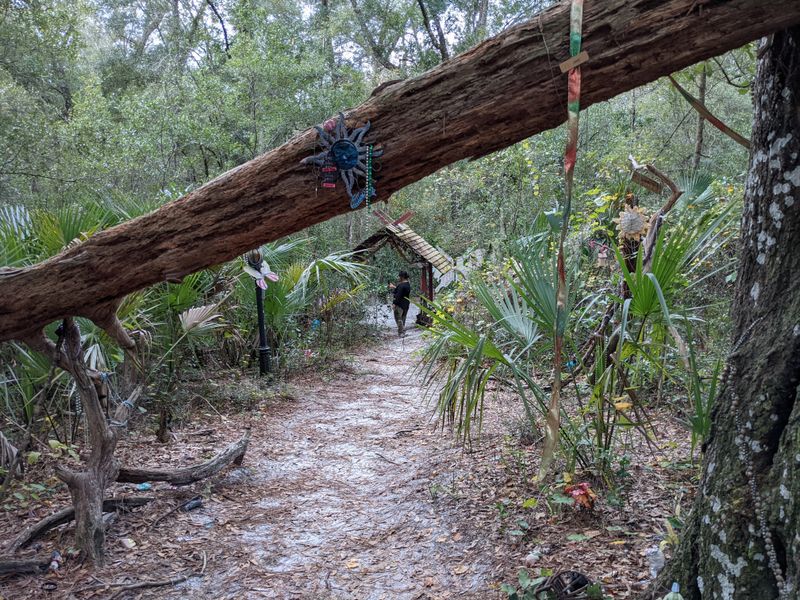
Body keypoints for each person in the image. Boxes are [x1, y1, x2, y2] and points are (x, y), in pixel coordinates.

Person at [389, 271, 411, 336]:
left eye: (399, 276)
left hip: (400, 305)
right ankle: (403, 331)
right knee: (403, 318)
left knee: (398, 319)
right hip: (406, 304)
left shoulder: (401, 285)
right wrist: (394, 287)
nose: (398, 277)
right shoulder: (407, 284)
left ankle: (401, 332)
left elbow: (398, 295)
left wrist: (394, 304)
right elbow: (401, 291)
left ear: (402, 277)